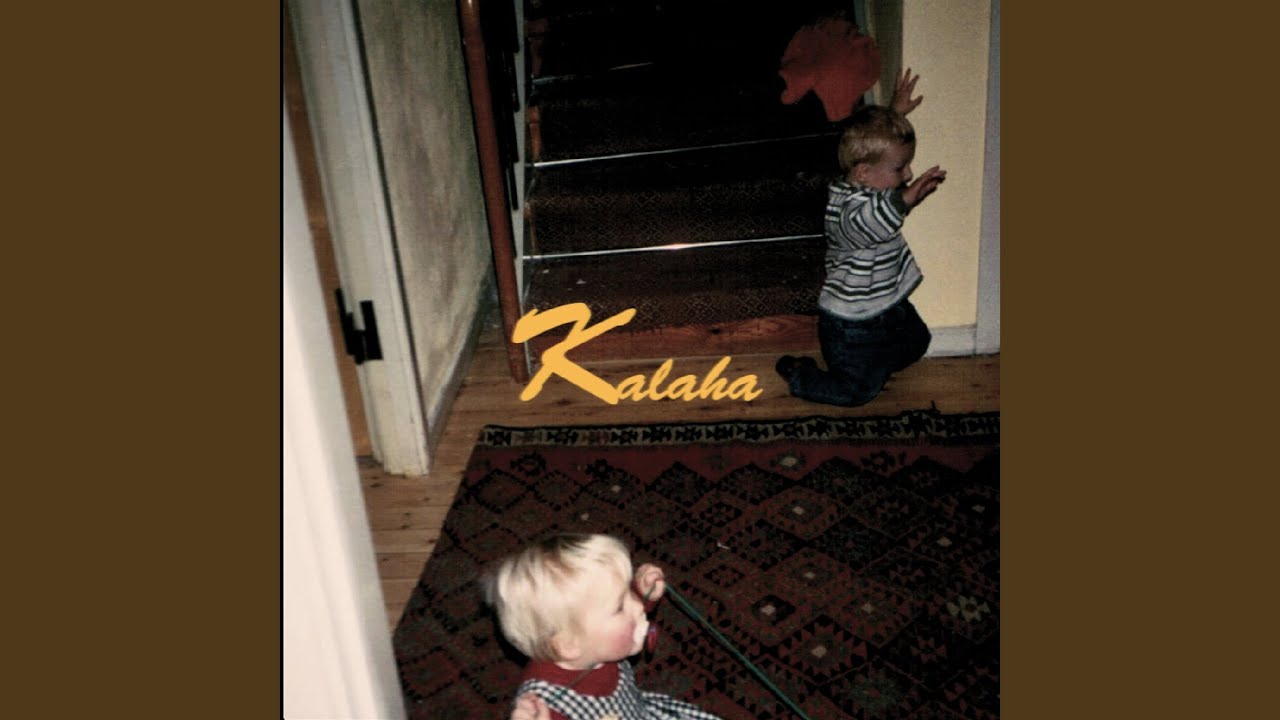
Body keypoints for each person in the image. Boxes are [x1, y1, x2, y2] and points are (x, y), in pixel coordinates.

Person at [776, 68, 946, 407]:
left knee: (917, 343)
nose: (908, 173)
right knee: (857, 393)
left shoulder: (868, 177)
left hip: (887, 304)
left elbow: (875, 152)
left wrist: (894, 115)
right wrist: (907, 197)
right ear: (864, 173)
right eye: (900, 168)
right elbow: (872, 221)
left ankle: (878, 362)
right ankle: (800, 375)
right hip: (851, 324)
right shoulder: (845, 209)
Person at [484, 533, 723, 720]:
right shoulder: (546, 705)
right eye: (619, 607)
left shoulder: (591, 641)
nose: (637, 606)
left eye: (627, 591)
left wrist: (643, 592)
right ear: (569, 644)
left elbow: (624, 612)